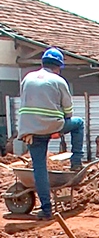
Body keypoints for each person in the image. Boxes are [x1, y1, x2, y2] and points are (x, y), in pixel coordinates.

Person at [18, 48, 84, 220]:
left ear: (42, 63)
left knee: (39, 168)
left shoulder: (27, 78)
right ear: (59, 67)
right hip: (53, 125)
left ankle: (46, 210)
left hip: (30, 130)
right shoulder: (59, 81)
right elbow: (68, 110)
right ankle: (76, 161)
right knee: (78, 124)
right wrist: (60, 127)